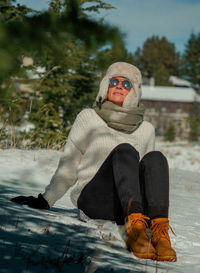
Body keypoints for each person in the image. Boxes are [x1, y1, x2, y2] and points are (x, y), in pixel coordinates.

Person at [11, 62, 177, 262]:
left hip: (127, 208)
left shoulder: (146, 129)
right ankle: (134, 233)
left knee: (156, 158)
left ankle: (160, 235)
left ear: (134, 92)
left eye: (126, 84)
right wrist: (46, 199)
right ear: (105, 85)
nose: (118, 86)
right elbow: (69, 165)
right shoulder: (88, 118)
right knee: (125, 151)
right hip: (94, 199)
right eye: (114, 81)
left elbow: (147, 177)